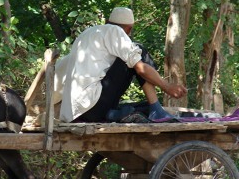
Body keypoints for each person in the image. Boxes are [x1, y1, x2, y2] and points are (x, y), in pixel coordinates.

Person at [54, 7, 187, 123]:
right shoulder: (114, 31)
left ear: (107, 21)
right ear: (129, 29)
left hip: (78, 111)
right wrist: (167, 86)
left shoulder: (87, 33)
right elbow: (140, 69)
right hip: (94, 106)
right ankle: (157, 111)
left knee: (143, 105)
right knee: (138, 51)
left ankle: (118, 113)